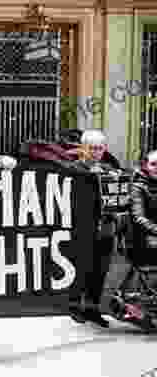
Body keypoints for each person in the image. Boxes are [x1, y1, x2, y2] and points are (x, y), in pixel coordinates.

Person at [67, 130, 121, 328]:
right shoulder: (75, 168)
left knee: (100, 270)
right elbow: (75, 179)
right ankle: (74, 306)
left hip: (106, 227)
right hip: (84, 227)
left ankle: (92, 308)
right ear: (83, 148)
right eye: (93, 148)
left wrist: (114, 175)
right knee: (82, 268)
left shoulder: (109, 168)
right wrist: (93, 174)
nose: (97, 152)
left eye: (100, 148)